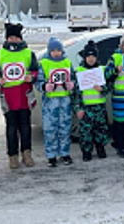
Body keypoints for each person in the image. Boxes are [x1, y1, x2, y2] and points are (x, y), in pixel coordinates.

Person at [0, 23, 38, 169]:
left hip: (24, 94)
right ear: (7, 38)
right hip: (8, 96)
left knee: (25, 126)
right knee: (11, 127)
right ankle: (12, 155)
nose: (13, 40)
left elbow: (35, 70)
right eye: (11, 37)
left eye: (16, 37)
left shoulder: (28, 53)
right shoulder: (0, 54)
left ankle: (26, 153)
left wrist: (32, 77)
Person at [35, 37, 76, 167]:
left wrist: (72, 84)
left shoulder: (67, 62)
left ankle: (65, 153)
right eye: (53, 50)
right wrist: (44, 86)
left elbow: (74, 78)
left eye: (58, 50)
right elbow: (38, 82)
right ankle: (51, 155)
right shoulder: (44, 63)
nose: (56, 53)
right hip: (50, 102)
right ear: (49, 51)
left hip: (65, 100)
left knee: (65, 128)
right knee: (50, 129)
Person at [73, 40, 110, 162]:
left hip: (99, 107)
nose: (91, 59)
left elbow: (109, 87)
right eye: (88, 56)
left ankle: (100, 148)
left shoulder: (101, 70)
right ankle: (87, 150)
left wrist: (102, 89)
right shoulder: (79, 71)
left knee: (100, 129)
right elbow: (76, 93)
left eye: (93, 56)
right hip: (86, 108)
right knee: (85, 131)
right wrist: (78, 108)